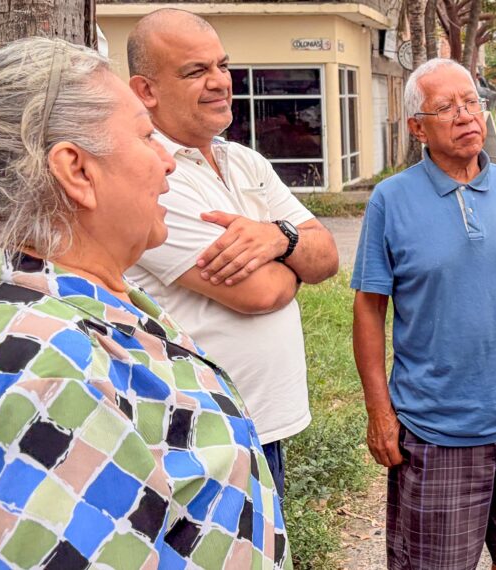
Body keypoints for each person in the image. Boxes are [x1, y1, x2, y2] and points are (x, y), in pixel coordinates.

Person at [0, 38, 289, 568]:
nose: (167, 162)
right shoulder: (41, 367)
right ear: (76, 170)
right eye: (147, 135)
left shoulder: (74, 304)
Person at [351, 58, 496, 570]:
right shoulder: (391, 200)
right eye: (445, 108)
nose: (465, 116)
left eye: (471, 102)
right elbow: (369, 310)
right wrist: (379, 411)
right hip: (435, 430)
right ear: (417, 127)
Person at [124, 8, 339, 497]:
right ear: (146, 91)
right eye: (196, 71)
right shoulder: (155, 174)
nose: (221, 81)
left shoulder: (243, 160)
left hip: (260, 427)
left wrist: (278, 238)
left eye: (222, 65)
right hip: (199, 439)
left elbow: (327, 255)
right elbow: (258, 294)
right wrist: (293, 253)